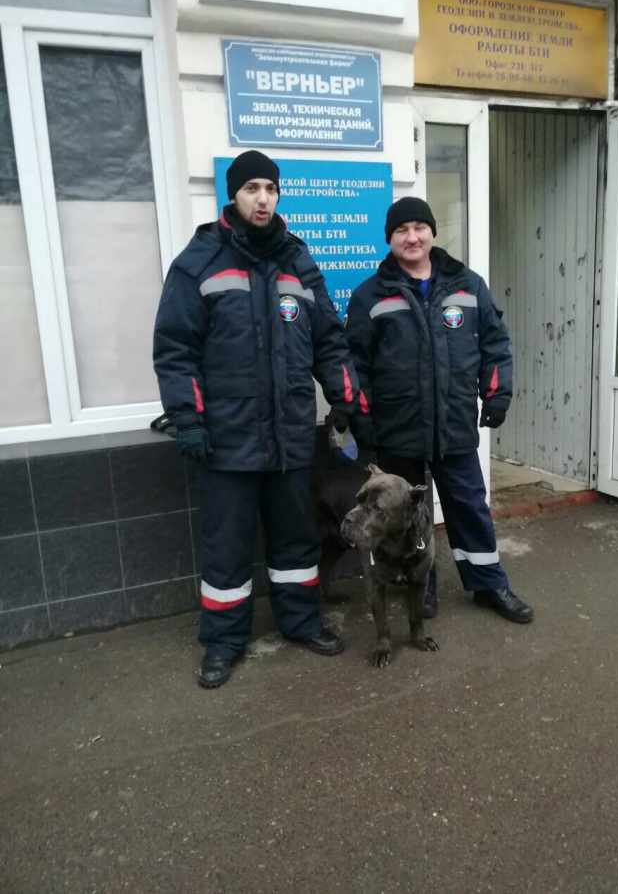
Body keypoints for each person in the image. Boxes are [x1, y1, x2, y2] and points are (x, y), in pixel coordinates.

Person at [153, 150, 359, 688]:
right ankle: (223, 642)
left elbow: (328, 338)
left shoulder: (299, 261)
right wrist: (189, 418)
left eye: (270, 188)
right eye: (252, 189)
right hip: (227, 439)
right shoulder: (199, 261)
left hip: (290, 434)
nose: (262, 198)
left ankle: (300, 622)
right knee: (227, 547)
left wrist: (342, 396)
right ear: (234, 195)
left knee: (295, 539)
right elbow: (176, 348)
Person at [344, 197, 533, 624]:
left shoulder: (468, 286)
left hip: (454, 424)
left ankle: (488, 584)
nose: (411, 237)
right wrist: (363, 419)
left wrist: (497, 394)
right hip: (397, 428)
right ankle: (419, 587)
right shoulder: (369, 295)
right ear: (389, 239)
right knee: (403, 516)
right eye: (400, 231)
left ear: (431, 232)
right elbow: (355, 364)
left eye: (418, 227)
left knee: (469, 504)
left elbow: (495, 345)